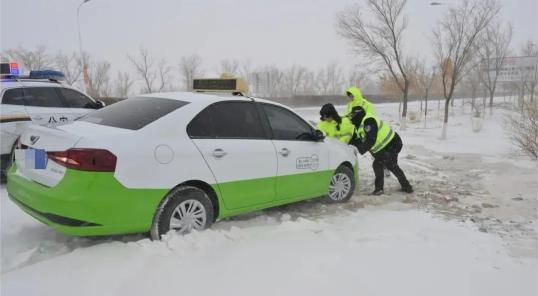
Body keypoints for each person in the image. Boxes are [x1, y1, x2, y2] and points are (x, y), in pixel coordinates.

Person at [348, 106, 413, 195]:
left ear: (358, 114)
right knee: (384, 165)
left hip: (392, 143)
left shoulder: (369, 121)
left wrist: (359, 149)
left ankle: (405, 187)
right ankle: (401, 187)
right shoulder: (358, 125)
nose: (351, 117)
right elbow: (356, 139)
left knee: (386, 164)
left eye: (353, 115)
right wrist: (347, 146)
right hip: (384, 147)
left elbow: (371, 140)